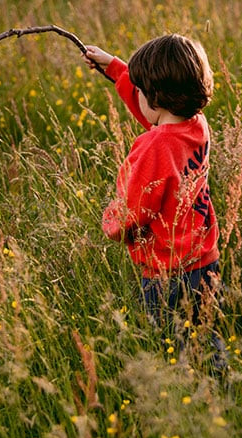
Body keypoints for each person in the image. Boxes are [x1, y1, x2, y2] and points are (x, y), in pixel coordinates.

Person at [83, 35, 225, 370]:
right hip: (205, 262)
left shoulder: (154, 148)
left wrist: (111, 223)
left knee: (169, 348)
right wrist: (116, 68)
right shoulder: (195, 125)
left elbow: (133, 213)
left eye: (140, 89)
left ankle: (179, 392)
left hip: (167, 274)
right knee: (206, 339)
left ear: (156, 97)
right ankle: (219, 385)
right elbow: (157, 119)